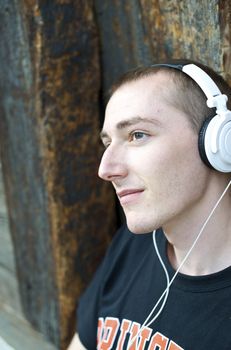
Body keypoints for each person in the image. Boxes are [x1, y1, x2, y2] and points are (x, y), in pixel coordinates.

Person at [67, 59, 231, 350]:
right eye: (108, 143)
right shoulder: (133, 246)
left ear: (219, 143)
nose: (106, 169)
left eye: (137, 135)